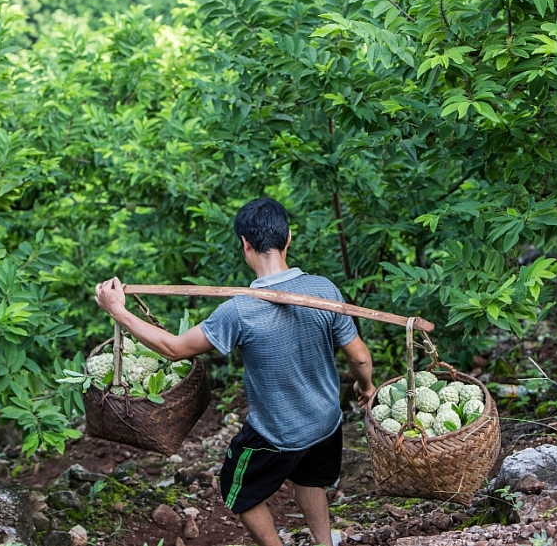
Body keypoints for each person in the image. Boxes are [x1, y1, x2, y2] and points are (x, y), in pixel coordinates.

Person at [94, 197, 376, 546]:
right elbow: (360, 358)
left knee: (237, 490)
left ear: (245, 244)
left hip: (278, 432)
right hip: (325, 419)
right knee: (310, 478)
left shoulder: (239, 310)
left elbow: (175, 349)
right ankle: (324, 542)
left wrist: (119, 313)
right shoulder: (324, 290)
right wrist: (366, 386)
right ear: (288, 237)